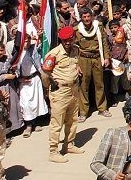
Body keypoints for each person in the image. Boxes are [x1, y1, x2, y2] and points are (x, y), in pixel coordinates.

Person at [42, 26, 83, 163]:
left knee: (72, 119)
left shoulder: (76, 49)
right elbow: (45, 73)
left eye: (69, 39)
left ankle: (69, 144)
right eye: (64, 40)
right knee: (57, 122)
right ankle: (53, 151)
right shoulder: (54, 54)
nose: (67, 42)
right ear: (61, 40)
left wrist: (77, 70)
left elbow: (75, 64)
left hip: (73, 89)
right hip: (60, 91)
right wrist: (49, 88)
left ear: (73, 38)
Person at [75, 9, 110, 121]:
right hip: (83, 59)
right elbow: (74, 48)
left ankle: (102, 108)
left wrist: (107, 57)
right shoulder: (77, 29)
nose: (87, 19)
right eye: (84, 17)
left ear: (92, 16)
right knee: (83, 86)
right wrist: (76, 64)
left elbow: (104, 42)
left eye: (88, 16)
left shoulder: (98, 26)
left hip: (97, 58)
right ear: (81, 18)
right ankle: (83, 112)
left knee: (99, 84)